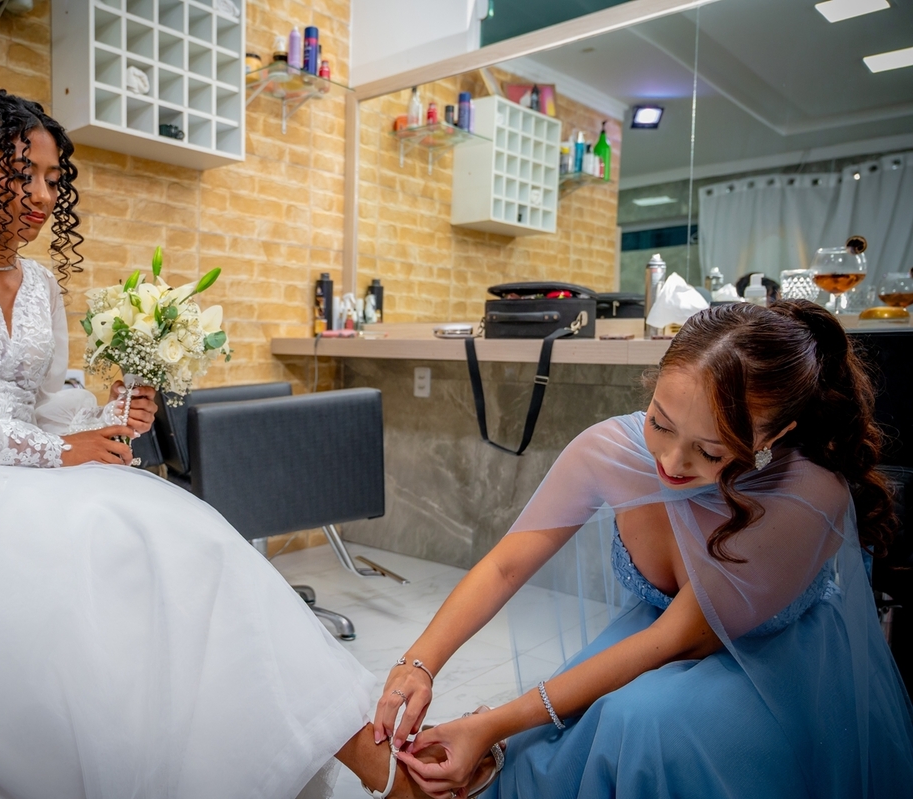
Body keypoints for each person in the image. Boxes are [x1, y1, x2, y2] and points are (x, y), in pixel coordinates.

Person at [0, 76, 423, 799]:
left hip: (36, 470)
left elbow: (48, 400)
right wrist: (52, 451)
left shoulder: (38, 282)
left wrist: (107, 416)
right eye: (19, 172)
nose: (39, 194)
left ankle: (366, 762)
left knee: (200, 541)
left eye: (51, 179)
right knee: (92, 545)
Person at [373, 300, 913, 798]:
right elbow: (507, 564)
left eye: (710, 450)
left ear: (774, 436)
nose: (673, 464)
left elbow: (673, 639)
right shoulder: (610, 450)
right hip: (658, 638)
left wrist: (492, 722)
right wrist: (420, 663)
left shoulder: (804, 493)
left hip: (773, 662)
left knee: (638, 726)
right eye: (661, 422)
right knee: (547, 750)